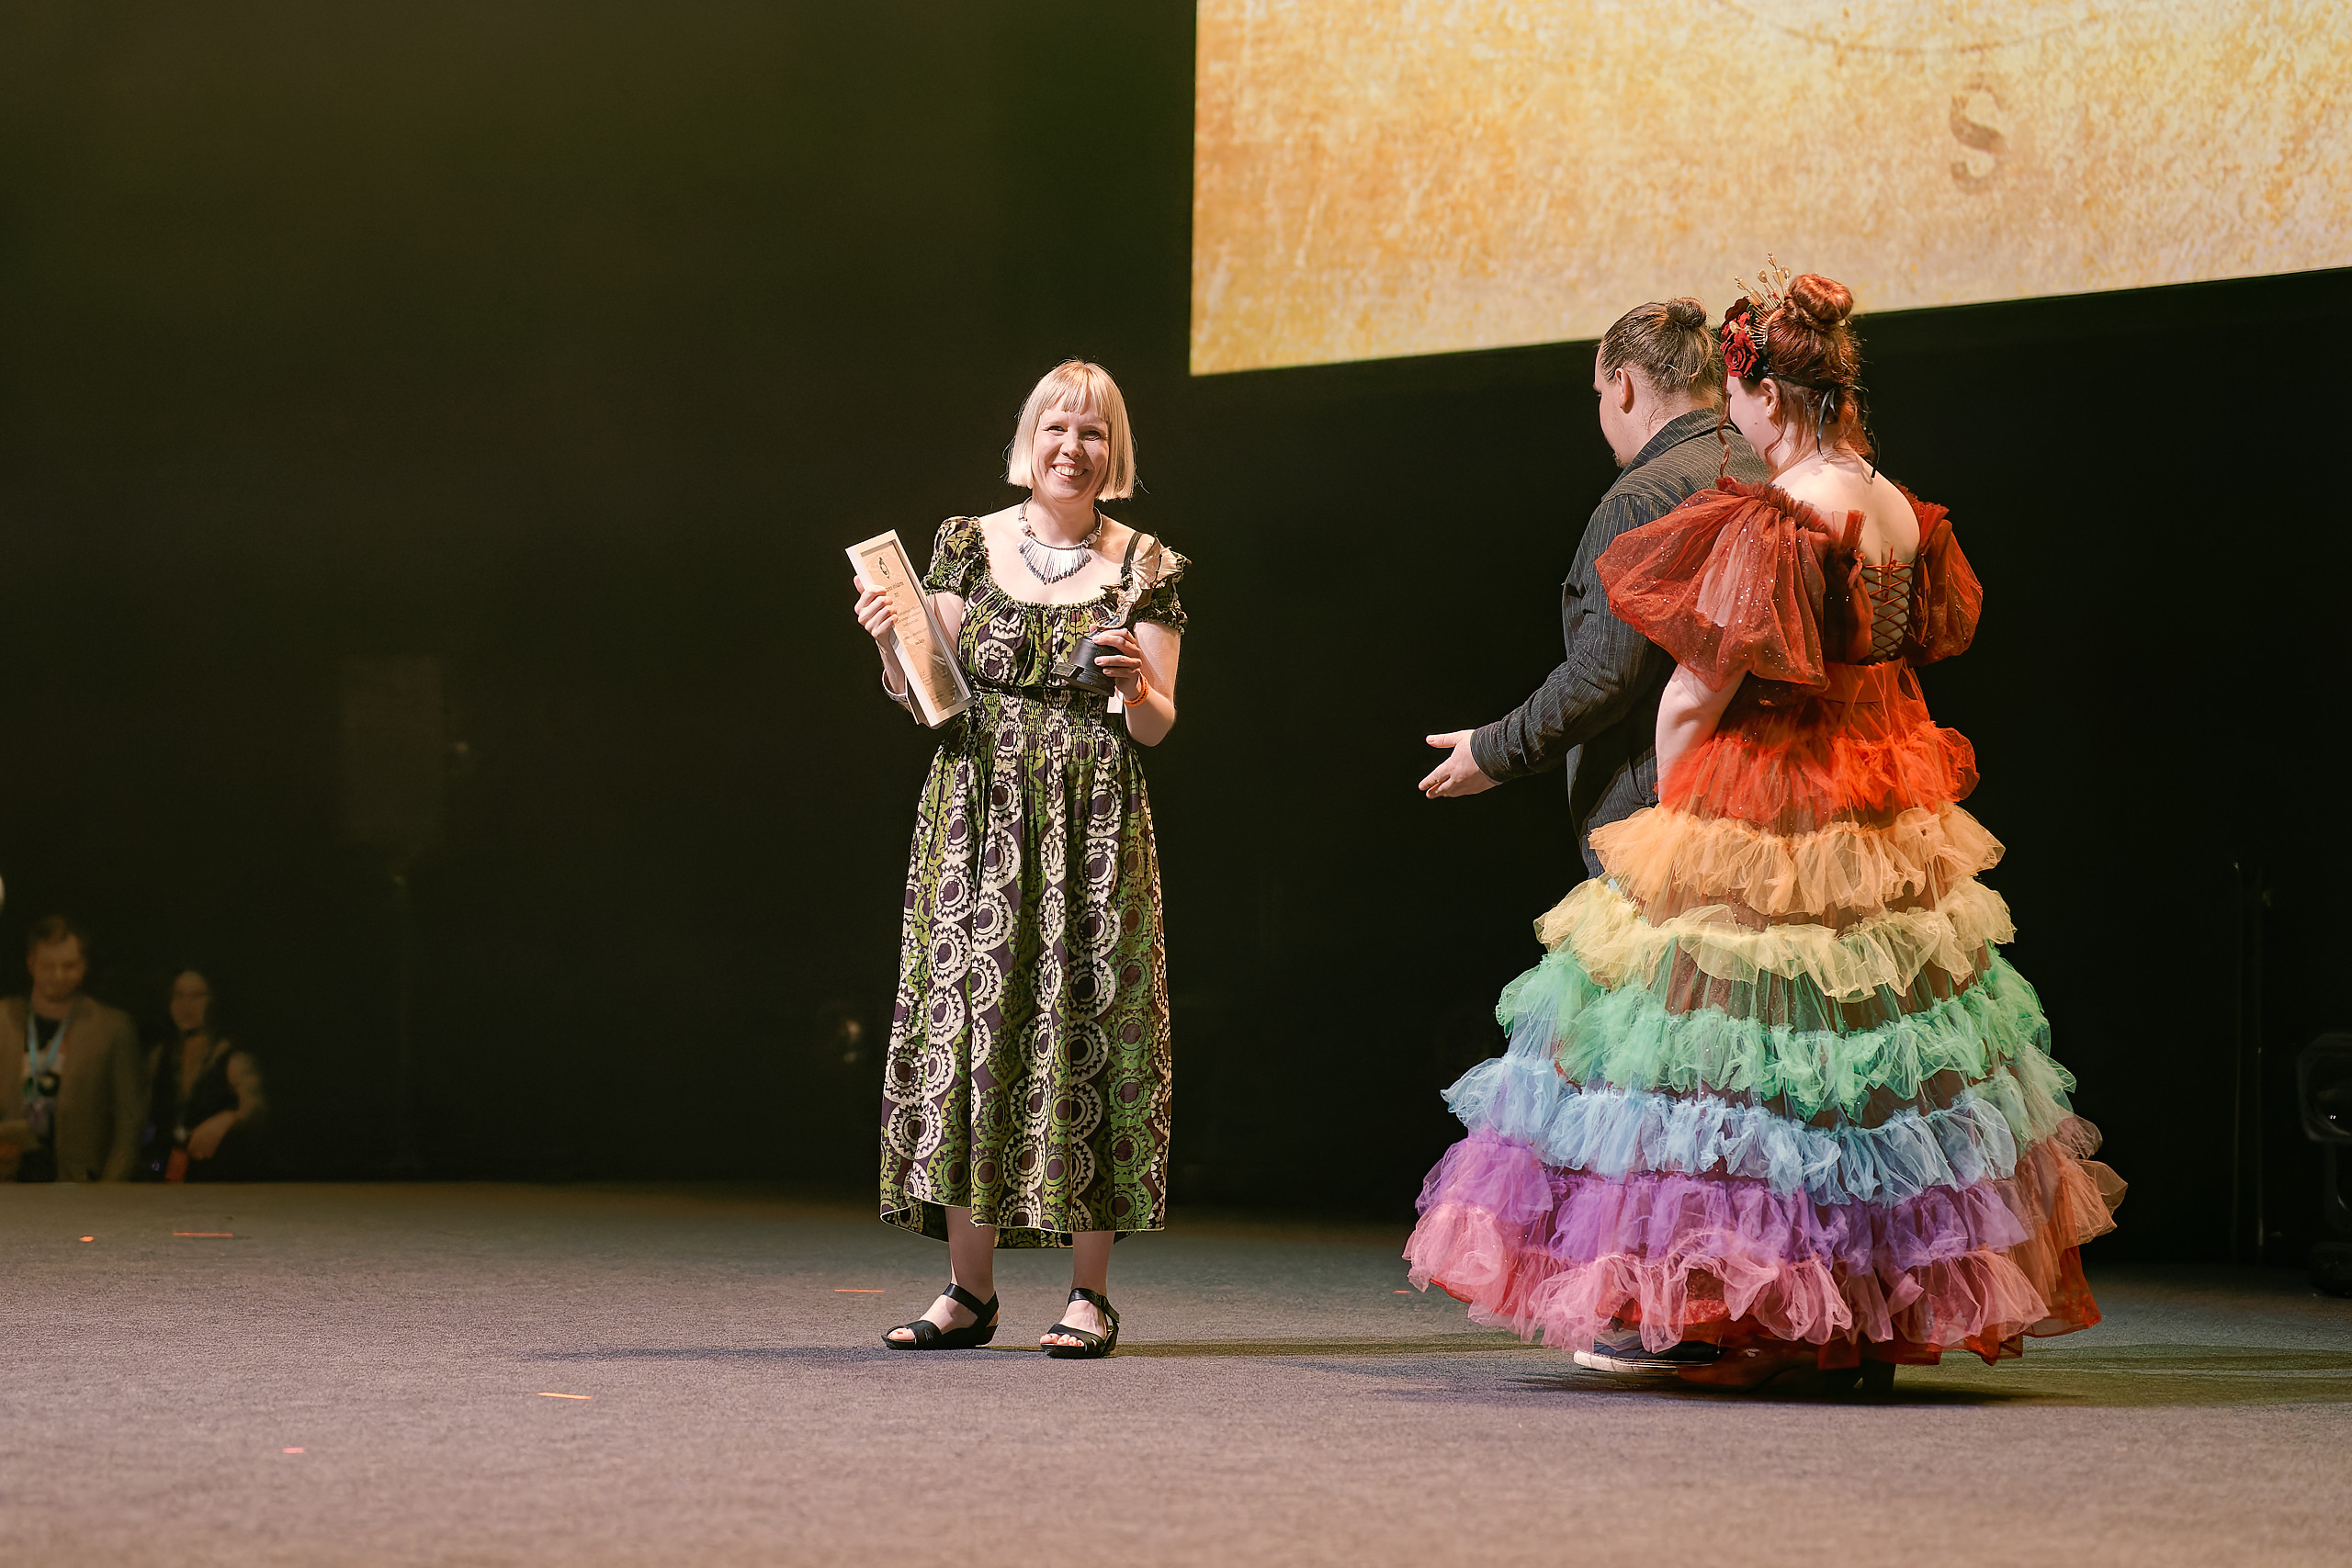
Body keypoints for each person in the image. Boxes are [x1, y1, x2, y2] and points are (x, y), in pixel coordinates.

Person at [1405, 268, 2123, 1391]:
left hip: (1772, 788)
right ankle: (1856, 1320)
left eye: (1736, 399)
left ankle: (1733, 1308)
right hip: (1876, 799)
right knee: (1863, 1071)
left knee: (1727, 1072)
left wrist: (1677, 821)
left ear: (1771, 396)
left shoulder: (1782, 514)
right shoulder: (1898, 507)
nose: (1728, 422)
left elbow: (1693, 691)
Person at [852, 358, 1187, 1358]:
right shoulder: (966, 542)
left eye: (1092, 432)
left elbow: (1157, 724)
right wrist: (887, 644)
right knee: (974, 1025)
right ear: (1027, 440)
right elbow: (929, 695)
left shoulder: (1149, 563)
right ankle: (969, 1289)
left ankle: (1089, 1294)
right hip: (976, 813)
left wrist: (1136, 683)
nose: (1071, 448)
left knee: (1089, 1026)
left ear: (1113, 450)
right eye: (1055, 428)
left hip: (1094, 817)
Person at [1419, 299, 1769, 875]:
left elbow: (1606, 673)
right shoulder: (1766, 471)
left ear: (1623, 386)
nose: (1602, 409)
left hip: (1664, 823)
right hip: (1767, 799)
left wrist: (1492, 751)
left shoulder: (1638, 500)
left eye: (1600, 393)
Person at [0, 916, 146, 1183]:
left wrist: (112, 1188)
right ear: (31, 963)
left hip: (81, 1183)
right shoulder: (3, 1020)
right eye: (48, 966)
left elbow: (130, 1120)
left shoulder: (112, 1028)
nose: (58, 976)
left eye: (69, 966)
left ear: (85, 965)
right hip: (8, 1179)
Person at [141, 967, 266, 1181]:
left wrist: (230, 1118)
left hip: (215, 1177)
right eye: (178, 996)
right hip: (162, 1173)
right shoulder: (159, 1056)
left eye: (196, 996)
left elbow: (256, 1108)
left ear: (214, 1000)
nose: (185, 1006)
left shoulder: (231, 1056)